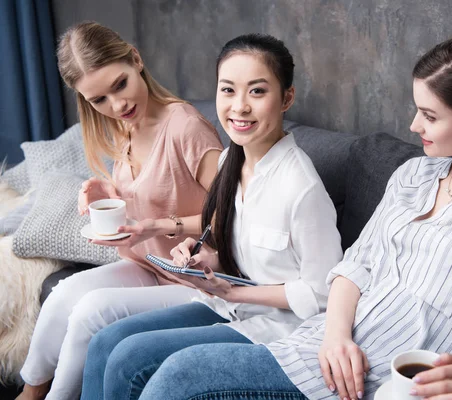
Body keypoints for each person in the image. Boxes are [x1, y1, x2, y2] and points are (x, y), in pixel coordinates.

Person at [135, 30, 452, 400]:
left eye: (429, 116)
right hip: (315, 346)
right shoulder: (414, 176)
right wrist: (335, 337)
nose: (414, 126)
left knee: (179, 376)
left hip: (372, 383)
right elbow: (354, 266)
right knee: (152, 364)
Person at [79, 33, 343, 400]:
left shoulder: (302, 188)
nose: (240, 107)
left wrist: (235, 290)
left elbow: (323, 293)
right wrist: (204, 257)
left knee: (131, 359)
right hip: (228, 304)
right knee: (108, 342)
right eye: (228, 90)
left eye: (257, 91)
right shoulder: (229, 164)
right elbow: (240, 248)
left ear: (286, 98)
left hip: (276, 327)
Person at [16, 22, 224, 400]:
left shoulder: (185, 127)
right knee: (64, 293)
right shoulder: (127, 126)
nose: (117, 105)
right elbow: (163, 188)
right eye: (99, 100)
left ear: (136, 59)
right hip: (154, 266)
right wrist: (112, 192)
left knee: (91, 310)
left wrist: (157, 225)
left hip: (201, 279)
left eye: (120, 85)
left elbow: (233, 214)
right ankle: (29, 393)